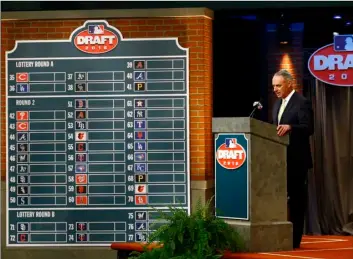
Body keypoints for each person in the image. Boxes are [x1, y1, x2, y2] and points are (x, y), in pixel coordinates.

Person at [271, 69, 314, 249]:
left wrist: (290, 127)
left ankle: (295, 240)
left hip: (297, 160)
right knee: (278, 199)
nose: (275, 89)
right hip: (279, 160)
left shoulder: (302, 102)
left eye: (278, 85)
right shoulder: (276, 104)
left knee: (297, 201)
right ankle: (279, 236)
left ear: (290, 84)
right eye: (273, 86)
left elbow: (309, 127)